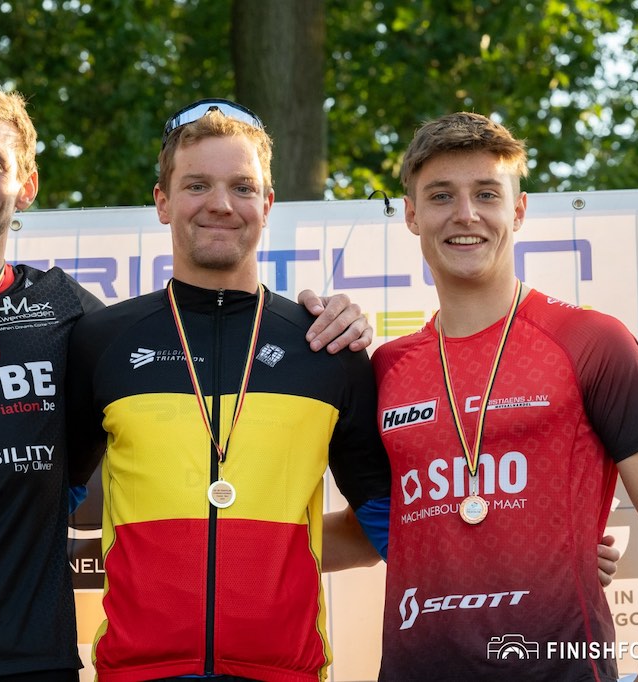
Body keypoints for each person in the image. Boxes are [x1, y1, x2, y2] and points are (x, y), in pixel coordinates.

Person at [0, 81, 373, 682]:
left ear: (26, 187)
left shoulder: (70, 316)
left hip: (36, 660)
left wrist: (329, 315)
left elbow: (114, 482)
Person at [64, 99, 392, 681]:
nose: (220, 204)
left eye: (242, 187)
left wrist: (553, 554)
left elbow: (389, 524)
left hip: (284, 672)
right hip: (136, 672)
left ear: (267, 205)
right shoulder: (101, 341)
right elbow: (32, 512)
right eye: (197, 185)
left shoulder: (325, 347)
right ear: (162, 202)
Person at [366, 112, 638, 681]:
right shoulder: (388, 367)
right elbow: (383, 524)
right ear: (413, 215)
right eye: (441, 196)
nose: (465, 215)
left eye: (486, 194)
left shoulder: (591, 341)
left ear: (517, 210)